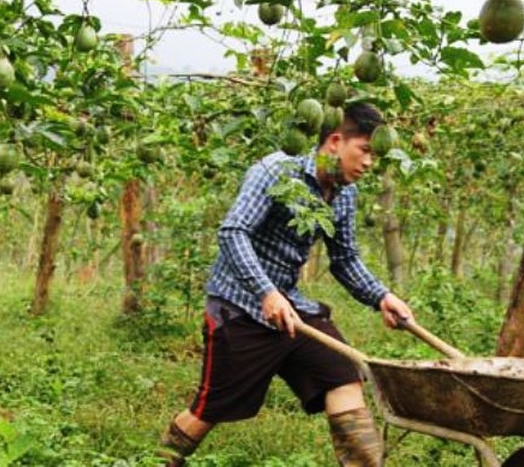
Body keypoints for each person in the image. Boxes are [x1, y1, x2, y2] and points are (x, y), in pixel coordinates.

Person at [158, 101, 413, 467]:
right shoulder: (278, 170)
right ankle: (158, 459)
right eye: (366, 151)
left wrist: (382, 296)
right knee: (210, 408)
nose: (370, 163)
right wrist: (265, 292)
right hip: (239, 309)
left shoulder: (345, 194)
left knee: (343, 376)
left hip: (291, 310)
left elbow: (345, 259)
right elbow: (233, 232)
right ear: (335, 141)